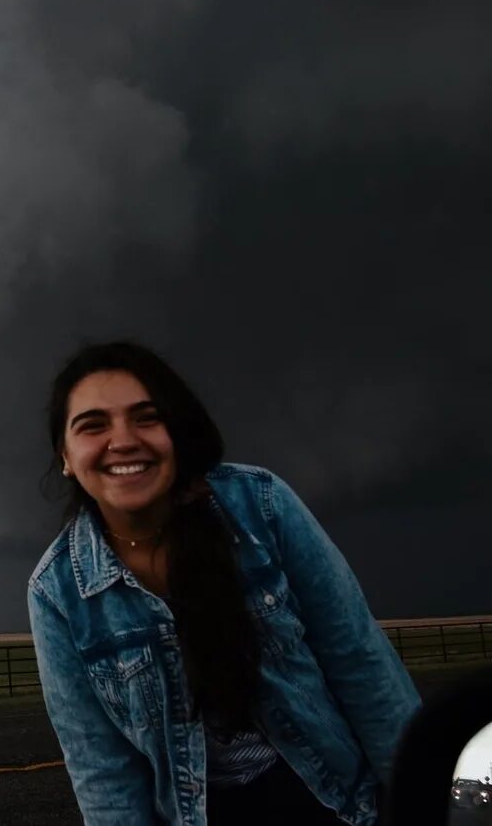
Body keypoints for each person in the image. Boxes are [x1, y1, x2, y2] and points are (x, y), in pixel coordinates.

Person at [27, 341, 421, 825]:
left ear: (177, 432)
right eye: (93, 425)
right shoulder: (56, 591)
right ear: (65, 457)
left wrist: (423, 799)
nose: (123, 440)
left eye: (146, 417)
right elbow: (102, 770)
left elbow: (360, 662)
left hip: (335, 802)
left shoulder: (263, 505)